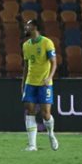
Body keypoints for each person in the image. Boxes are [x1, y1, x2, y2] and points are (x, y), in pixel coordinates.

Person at [20, 19, 58, 151]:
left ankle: (51, 134)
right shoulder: (26, 45)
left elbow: (54, 63)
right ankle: (32, 145)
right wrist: (23, 83)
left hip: (44, 83)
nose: (26, 27)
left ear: (35, 27)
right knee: (29, 111)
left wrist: (49, 77)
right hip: (30, 83)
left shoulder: (47, 42)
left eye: (28, 25)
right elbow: (26, 66)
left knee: (45, 114)